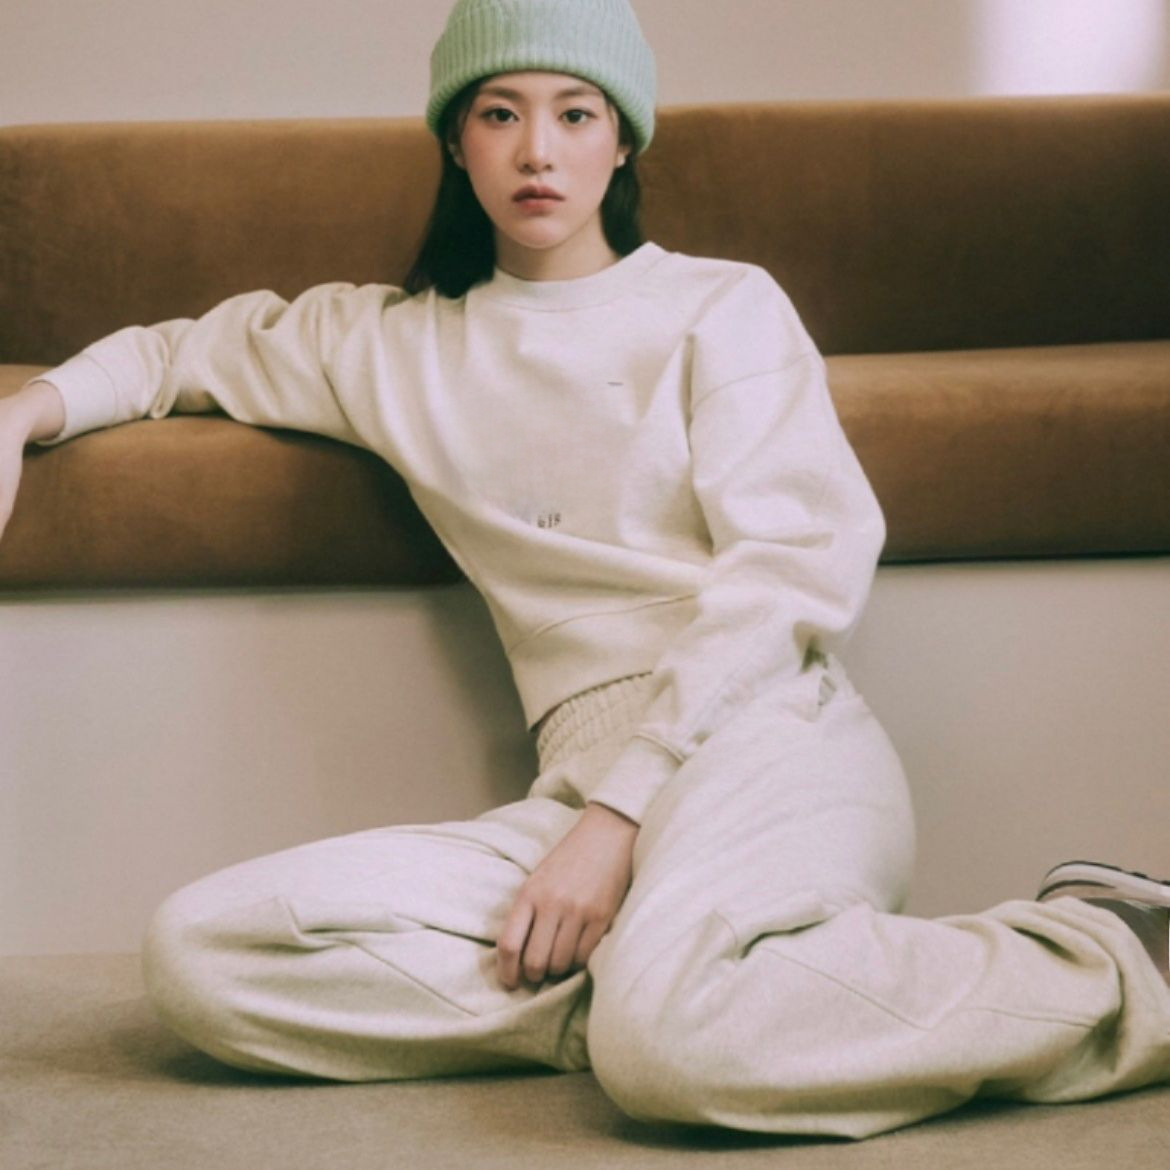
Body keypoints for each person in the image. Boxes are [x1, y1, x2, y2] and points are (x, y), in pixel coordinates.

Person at [1, 0, 1168, 1140]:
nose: (538, 151)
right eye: (499, 113)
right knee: (206, 955)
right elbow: (177, 355)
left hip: (765, 735)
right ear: (455, 143)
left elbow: (796, 565)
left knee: (677, 1049)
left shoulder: (722, 304)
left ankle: (1110, 956)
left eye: (575, 112)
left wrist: (617, 820)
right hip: (574, 783)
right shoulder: (393, 342)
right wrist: (20, 417)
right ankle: (647, 1000)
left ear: (623, 141)